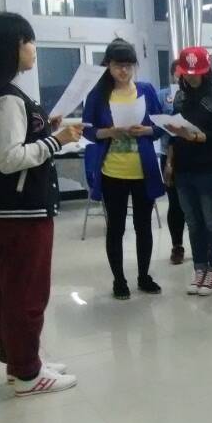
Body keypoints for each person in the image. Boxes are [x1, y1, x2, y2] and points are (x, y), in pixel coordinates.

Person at [0, 12, 81, 395]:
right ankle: (29, 375)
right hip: (20, 212)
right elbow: (9, 158)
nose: (34, 48)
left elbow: (13, 142)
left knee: (11, 288)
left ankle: (20, 362)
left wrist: (47, 127)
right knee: (27, 292)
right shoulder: (5, 98)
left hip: (4, 210)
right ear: (11, 46)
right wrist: (57, 140)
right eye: (28, 41)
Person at [82, 39, 165, 300]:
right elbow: (88, 131)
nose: (124, 71)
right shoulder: (98, 94)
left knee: (144, 226)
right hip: (112, 172)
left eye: (129, 65)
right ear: (108, 65)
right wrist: (109, 132)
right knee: (115, 228)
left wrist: (147, 130)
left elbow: (161, 126)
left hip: (143, 171)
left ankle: (143, 276)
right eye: (119, 65)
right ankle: (119, 280)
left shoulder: (146, 90)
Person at [165, 47, 212, 296]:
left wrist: (195, 136)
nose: (192, 77)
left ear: (206, 71)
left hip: (210, 167)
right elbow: (173, 134)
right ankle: (199, 268)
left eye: (197, 72)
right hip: (184, 168)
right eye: (187, 72)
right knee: (193, 222)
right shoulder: (180, 97)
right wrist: (170, 162)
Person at [158, 61, 186, 264]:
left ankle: (203, 247)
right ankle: (177, 246)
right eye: (178, 75)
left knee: (194, 203)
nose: (182, 78)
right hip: (168, 153)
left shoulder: (197, 94)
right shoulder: (162, 96)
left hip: (192, 152)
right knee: (175, 202)